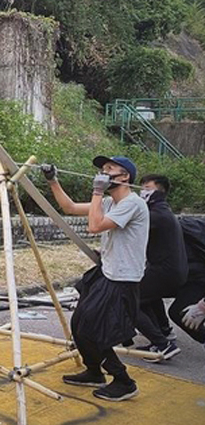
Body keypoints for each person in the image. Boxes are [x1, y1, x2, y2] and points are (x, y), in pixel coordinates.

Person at [42, 156, 148, 402]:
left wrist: (97, 192)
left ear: (125, 177)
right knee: (80, 324)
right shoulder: (111, 202)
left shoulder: (133, 203)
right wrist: (52, 181)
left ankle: (123, 381)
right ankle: (93, 371)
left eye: (110, 169)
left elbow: (95, 226)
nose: (103, 172)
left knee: (93, 329)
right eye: (102, 169)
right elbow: (69, 208)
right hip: (107, 271)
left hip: (122, 278)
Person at [132, 175, 185, 361]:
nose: (142, 192)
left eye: (147, 188)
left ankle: (162, 345)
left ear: (159, 191)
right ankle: (164, 331)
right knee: (147, 295)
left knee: (128, 300)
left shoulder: (157, 214)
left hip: (164, 271)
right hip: (171, 271)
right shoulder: (161, 210)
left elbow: (129, 230)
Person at [168, 217, 205, 347]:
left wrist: (202, 307)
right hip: (193, 275)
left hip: (199, 277)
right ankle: (162, 334)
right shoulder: (176, 226)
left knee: (181, 313)